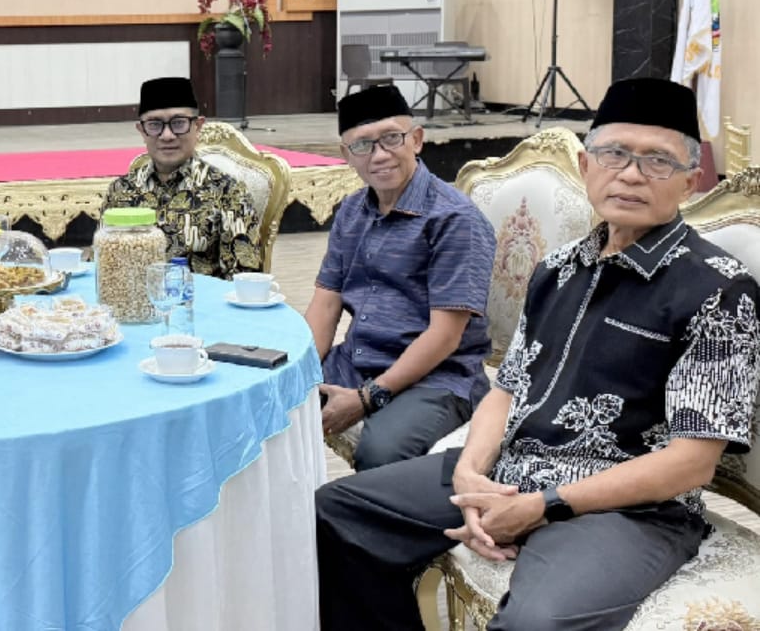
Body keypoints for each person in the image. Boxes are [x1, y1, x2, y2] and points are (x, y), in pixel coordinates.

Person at [315, 78, 759, 630]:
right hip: (512, 469)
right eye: (614, 154)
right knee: (335, 513)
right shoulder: (559, 268)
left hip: (629, 508)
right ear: (586, 166)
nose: (630, 173)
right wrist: (470, 472)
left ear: (691, 181)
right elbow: (507, 389)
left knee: (535, 624)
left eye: (658, 161)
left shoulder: (716, 288)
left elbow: (693, 461)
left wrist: (544, 504)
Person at [307, 84, 496, 471]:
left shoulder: (454, 219)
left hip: (438, 377)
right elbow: (325, 305)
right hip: (358, 359)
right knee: (263, 405)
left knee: (380, 450)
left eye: (392, 139)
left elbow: (444, 336)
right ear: (346, 155)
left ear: (417, 140)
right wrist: (297, 375)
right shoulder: (351, 211)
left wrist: (366, 397)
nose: (379, 155)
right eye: (363, 145)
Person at [101, 77, 263, 279]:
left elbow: (244, 279)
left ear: (198, 126)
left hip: (202, 299)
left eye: (178, 123)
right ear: (142, 131)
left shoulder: (228, 192)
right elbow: (102, 268)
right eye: (154, 125)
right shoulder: (120, 191)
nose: (167, 135)